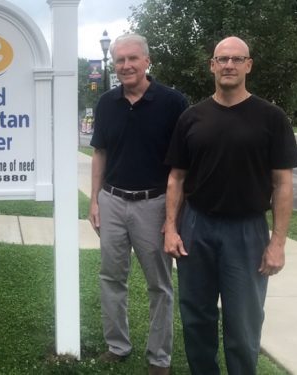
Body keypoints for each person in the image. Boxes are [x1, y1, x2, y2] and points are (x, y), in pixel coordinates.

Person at [163, 36, 297, 375]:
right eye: (222, 59)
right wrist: (170, 227)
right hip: (197, 227)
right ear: (212, 65)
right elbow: (176, 178)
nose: (229, 65)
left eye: (237, 59)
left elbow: (283, 184)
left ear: (248, 65)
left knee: (243, 324)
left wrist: (278, 242)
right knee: (197, 318)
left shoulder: (271, 118)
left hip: (247, 232)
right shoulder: (191, 118)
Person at [89, 33, 187, 375]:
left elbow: (181, 166)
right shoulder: (106, 103)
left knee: (159, 285)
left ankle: (159, 358)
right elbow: (100, 153)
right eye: (119, 60)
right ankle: (117, 345)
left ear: (147, 61)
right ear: (114, 64)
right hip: (112, 201)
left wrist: (172, 217)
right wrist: (95, 201)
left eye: (132, 59)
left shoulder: (174, 102)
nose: (126, 66)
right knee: (111, 277)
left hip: (154, 203)